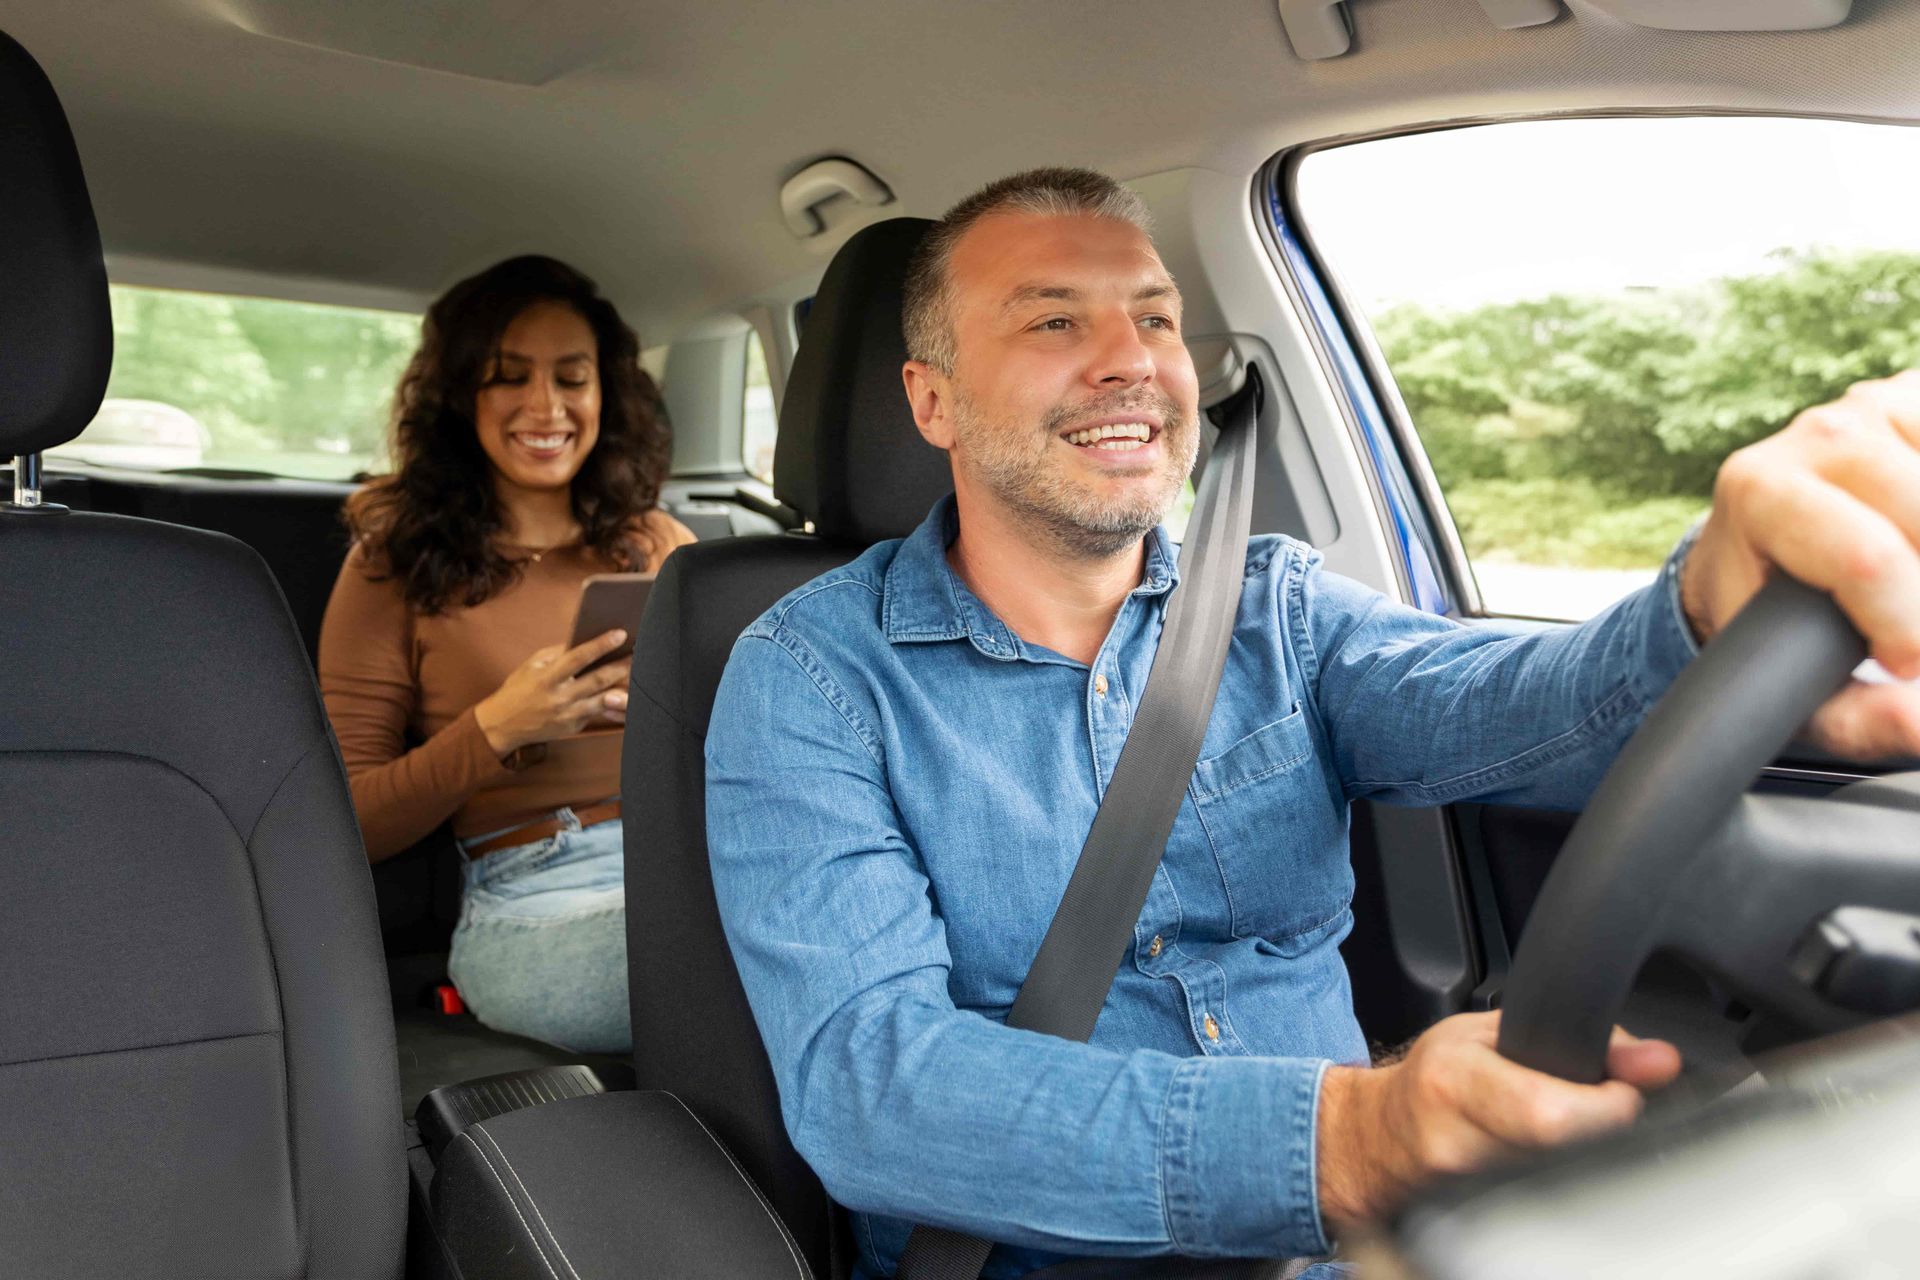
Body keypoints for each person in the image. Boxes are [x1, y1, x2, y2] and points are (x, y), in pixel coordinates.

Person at [704, 169, 1920, 1278]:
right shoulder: (809, 677)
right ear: (933, 400)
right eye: (1054, 318)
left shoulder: (1277, 609)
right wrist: (1342, 1138)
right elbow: (876, 1088)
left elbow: (1524, 706)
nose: (1132, 360)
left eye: (1158, 317)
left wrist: (1705, 601)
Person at [319, 255, 694, 1054]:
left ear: (606, 394)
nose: (546, 406)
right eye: (507, 377)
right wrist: (498, 729)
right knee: (738, 963)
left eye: (572, 377)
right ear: (461, 396)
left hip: (691, 862)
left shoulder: (657, 545)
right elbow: (342, 823)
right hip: (531, 905)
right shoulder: (393, 562)